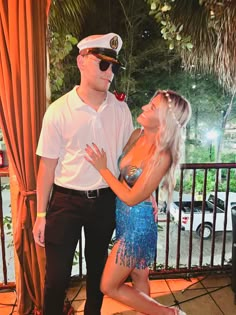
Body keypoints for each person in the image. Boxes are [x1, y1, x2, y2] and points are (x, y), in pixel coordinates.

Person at [32, 32, 134, 315]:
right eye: (103, 64)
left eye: (114, 66)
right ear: (81, 61)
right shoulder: (59, 111)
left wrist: (142, 192)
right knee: (55, 278)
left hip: (104, 200)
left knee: (98, 273)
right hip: (66, 202)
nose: (110, 72)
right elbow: (47, 165)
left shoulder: (120, 109)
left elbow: (127, 158)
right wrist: (41, 215)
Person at [85, 90, 191, 315]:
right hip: (123, 218)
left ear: (165, 120)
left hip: (138, 226)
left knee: (108, 285)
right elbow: (128, 178)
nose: (144, 108)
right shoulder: (137, 135)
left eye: (152, 107)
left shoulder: (162, 155)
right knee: (139, 276)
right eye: (149, 103)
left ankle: (169, 313)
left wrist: (102, 169)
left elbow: (132, 196)